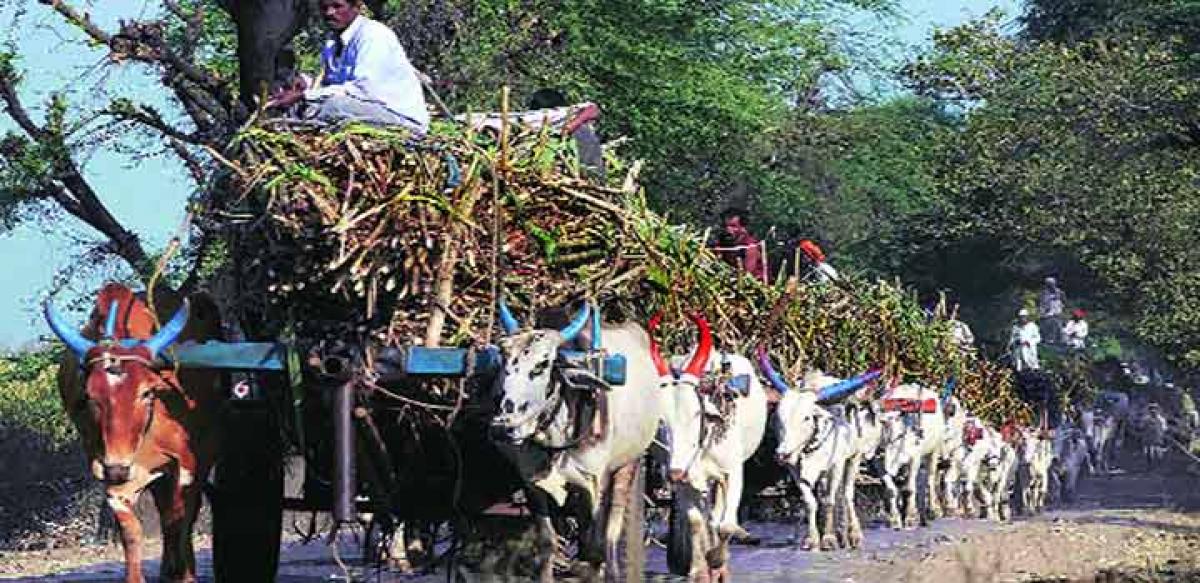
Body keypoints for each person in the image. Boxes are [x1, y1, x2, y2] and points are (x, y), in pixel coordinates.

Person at [267, 0, 429, 132]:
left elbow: (363, 90)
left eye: (337, 6)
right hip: (365, 109)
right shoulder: (332, 44)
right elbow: (333, 84)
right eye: (324, 8)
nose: (330, 13)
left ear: (356, 7)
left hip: (399, 118)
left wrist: (306, 96)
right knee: (300, 108)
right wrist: (305, 85)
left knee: (334, 107)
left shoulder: (373, 35)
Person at [715, 208, 767, 282]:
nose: (728, 230)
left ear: (743, 228)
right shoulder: (723, 242)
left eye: (733, 226)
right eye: (725, 226)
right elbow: (717, 262)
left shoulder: (750, 245)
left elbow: (749, 274)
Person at [1039, 277, 1066, 345]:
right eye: (1049, 284)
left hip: (1057, 313)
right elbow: (1042, 304)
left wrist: (1061, 306)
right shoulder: (1044, 293)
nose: (1051, 285)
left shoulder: (1060, 292)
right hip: (1048, 314)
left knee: (1058, 328)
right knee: (1047, 327)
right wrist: (1043, 312)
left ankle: (1059, 341)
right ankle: (1048, 341)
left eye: (1052, 284)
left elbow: (1064, 301)